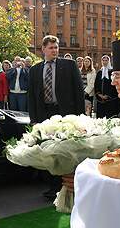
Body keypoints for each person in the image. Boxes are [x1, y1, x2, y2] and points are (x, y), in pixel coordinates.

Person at [28, 35, 85, 199]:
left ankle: (70, 186)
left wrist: (80, 117)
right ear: (43, 49)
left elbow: (78, 92)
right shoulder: (35, 70)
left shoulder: (69, 65)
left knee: (67, 150)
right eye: (51, 48)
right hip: (45, 115)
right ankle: (53, 187)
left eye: (56, 47)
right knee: (50, 151)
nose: (55, 50)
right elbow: (32, 96)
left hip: (66, 114)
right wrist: (34, 119)